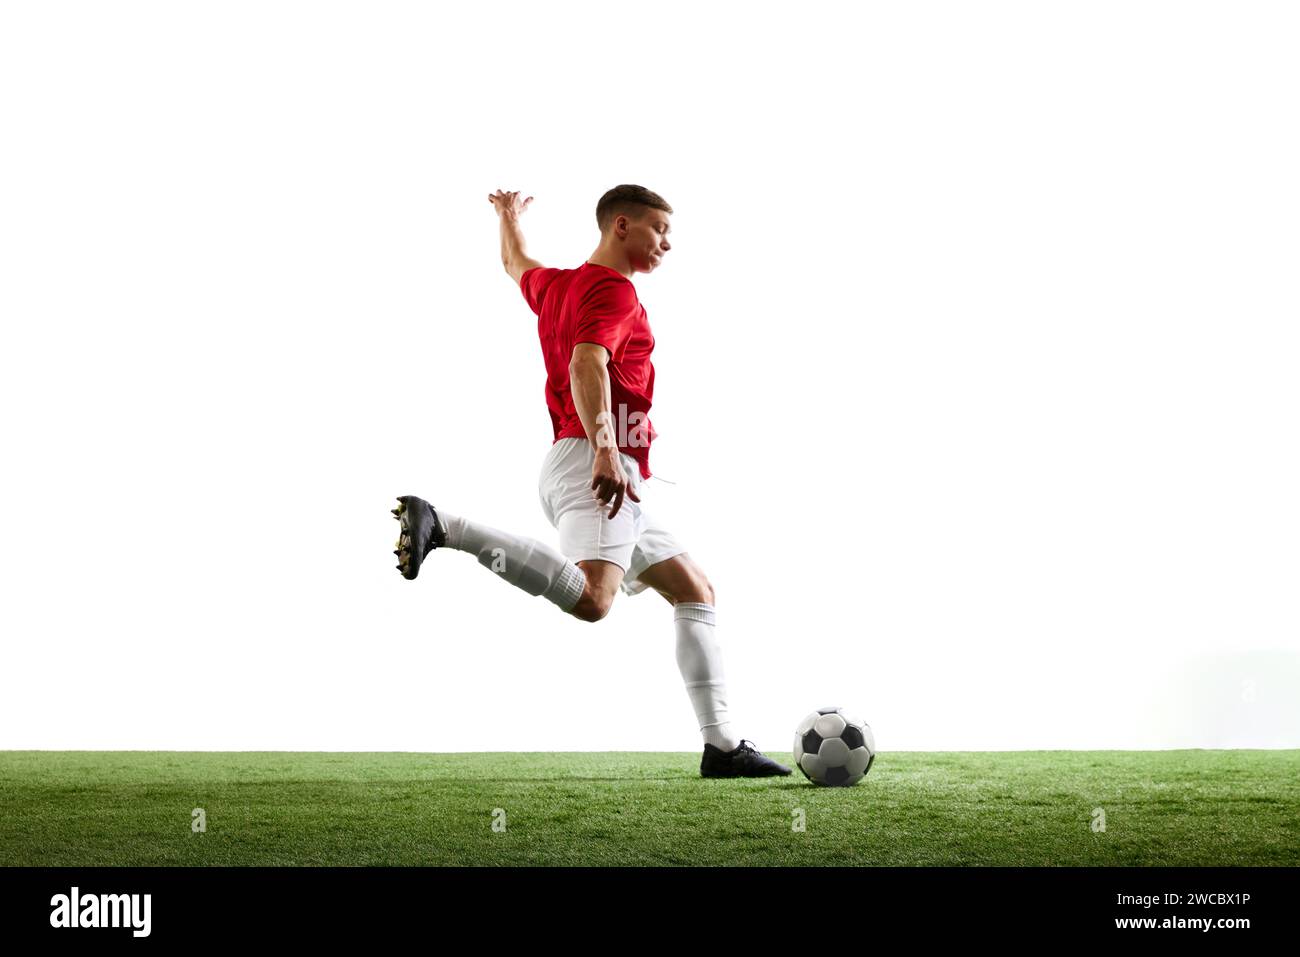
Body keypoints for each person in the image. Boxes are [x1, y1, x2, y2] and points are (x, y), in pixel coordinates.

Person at [393, 184, 789, 779]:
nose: (667, 243)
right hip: (596, 466)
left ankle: (723, 747)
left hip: (595, 465)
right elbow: (587, 360)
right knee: (594, 600)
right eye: (659, 230)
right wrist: (605, 446)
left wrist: (507, 216)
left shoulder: (557, 285)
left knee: (695, 590)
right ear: (621, 226)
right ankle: (445, 525)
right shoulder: (614, 292)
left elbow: (513, 264)